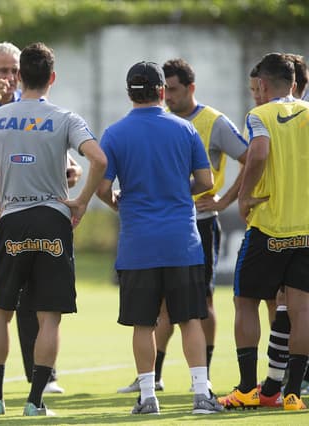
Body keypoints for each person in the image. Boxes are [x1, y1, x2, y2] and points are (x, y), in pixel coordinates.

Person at [0, 42, 107, 417]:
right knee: (47, 315)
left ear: (20, 76)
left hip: (12, 219)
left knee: (1, 311)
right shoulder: (65, 117)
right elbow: (98, 160)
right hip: (53, 219)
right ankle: (36, 401)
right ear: (52, 77)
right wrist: (83, 200)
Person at [97, 61, 222, 415]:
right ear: (162, 92)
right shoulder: (185, 129)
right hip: (182, 240)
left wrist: (118, 202)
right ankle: (201, 393)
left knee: (143, 323)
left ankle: (149, 397)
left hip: (138, 244)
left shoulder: (115, 133)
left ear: (129, 93)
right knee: (189, 319)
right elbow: (206, 182)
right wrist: (181, 191)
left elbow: (103, 189)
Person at [117, 58, 248, 394]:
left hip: (198, 224)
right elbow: (202, 177)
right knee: (165, 309)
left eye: (175, 90)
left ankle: (199, 379)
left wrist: (224, 200)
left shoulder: (212, 122)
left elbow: (251, 158)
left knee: (199, 305)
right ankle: (157, 376)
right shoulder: (177, 126)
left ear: (190, 88)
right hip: (178, 229)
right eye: (167, 90)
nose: (170, 97)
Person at [0, 40, 68, 395]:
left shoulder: (34, 108)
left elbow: (67, 158)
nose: (8, 78)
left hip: (18, 214)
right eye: (2, 71)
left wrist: (71, 175)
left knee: (30, 299)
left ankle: (39, 377)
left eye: (14, 71)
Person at [218, 52, 309, 411]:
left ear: (264, 85)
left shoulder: (260, 115)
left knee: (245, 303)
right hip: (306, 230)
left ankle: (245, 388)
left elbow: (257, 154)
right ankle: (292, 394)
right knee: (302, 309)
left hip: (269, 226)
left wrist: (243, 196)